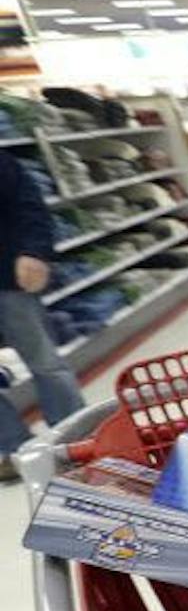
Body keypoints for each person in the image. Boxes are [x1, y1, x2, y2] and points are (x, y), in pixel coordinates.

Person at [0, 149, 87, 478]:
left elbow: (28, 204)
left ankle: (74, 440)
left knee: (46, 363)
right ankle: (12, 450)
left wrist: (33, 251)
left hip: (8, 279)